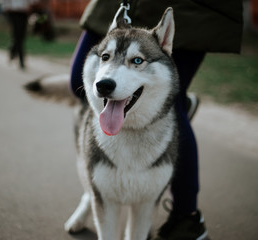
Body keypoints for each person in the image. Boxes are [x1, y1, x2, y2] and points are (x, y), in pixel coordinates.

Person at [70, 1, 243, 239]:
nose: (107, 77)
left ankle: (187, 217)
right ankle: (88, 198)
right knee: (76, 83)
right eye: (106, 57)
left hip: (193, 7)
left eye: (137, 61)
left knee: (174, 100)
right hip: (128, 4)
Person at [2, 0, 38, 70]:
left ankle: (12, 50)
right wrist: (6, 7)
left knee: (21, 36)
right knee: (18, 36)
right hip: (13, 11)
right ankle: (21, 61)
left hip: (24, 12)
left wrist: (30, 5)